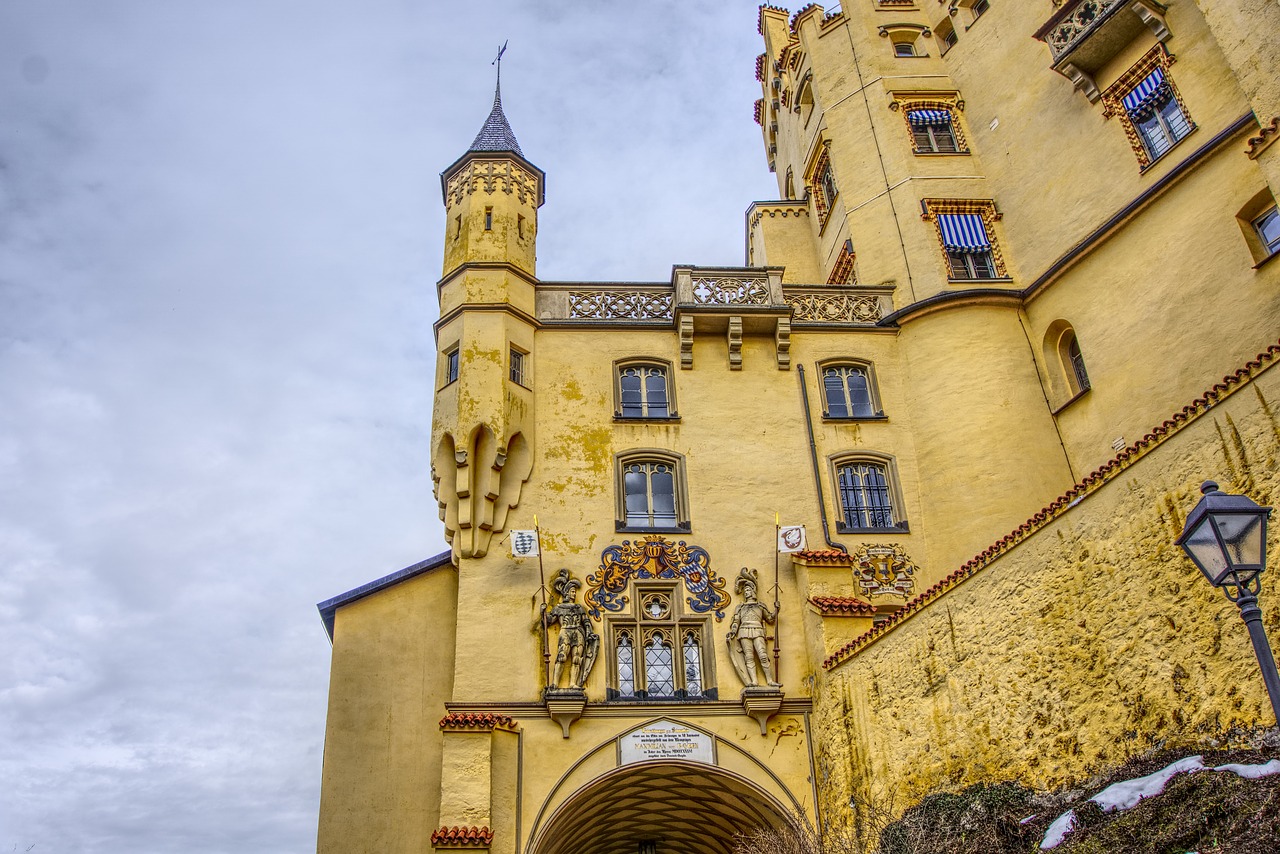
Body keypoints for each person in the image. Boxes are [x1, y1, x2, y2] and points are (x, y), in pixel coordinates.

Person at [542, 568, 597, 690]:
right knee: (562, 656)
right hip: (565, 631)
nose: (574, 594)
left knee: (577, 658)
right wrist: (543, 613)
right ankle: (555, 683)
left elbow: (586, 621)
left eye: (574, 591)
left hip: (578, 632)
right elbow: (549, 621)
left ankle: (573, 683)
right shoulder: (559, 608)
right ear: (566, 593)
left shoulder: (579, 607)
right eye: (572, 591)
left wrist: (589, 632)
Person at [727, 567, 781, 688]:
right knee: (749, 656)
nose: (746, 592)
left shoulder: (760, 605)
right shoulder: (740, 607)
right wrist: (733, 632)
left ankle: (770, 680)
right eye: (745, 590)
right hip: (744, 631)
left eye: (748, 590)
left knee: (762, 655)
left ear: (753, 591)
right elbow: (736, 621)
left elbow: (770, 619)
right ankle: (754, 681)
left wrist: (777, 610)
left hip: (757, 630)